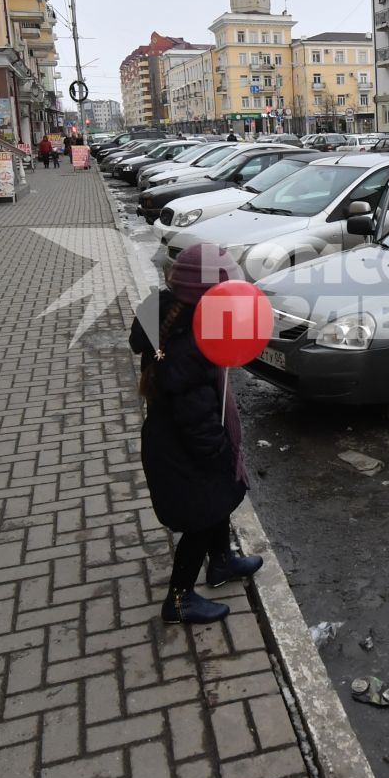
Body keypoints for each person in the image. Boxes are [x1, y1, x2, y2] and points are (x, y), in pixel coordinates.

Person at [128, 244, 264, 624]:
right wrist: (219, 451)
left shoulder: (174, 318)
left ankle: (221, 562)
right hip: (185, 452)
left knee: (217, 503)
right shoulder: (188, 347)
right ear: (207, 298)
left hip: (175, 444)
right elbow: (197, 417)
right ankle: (179, 598)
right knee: (201, 522)